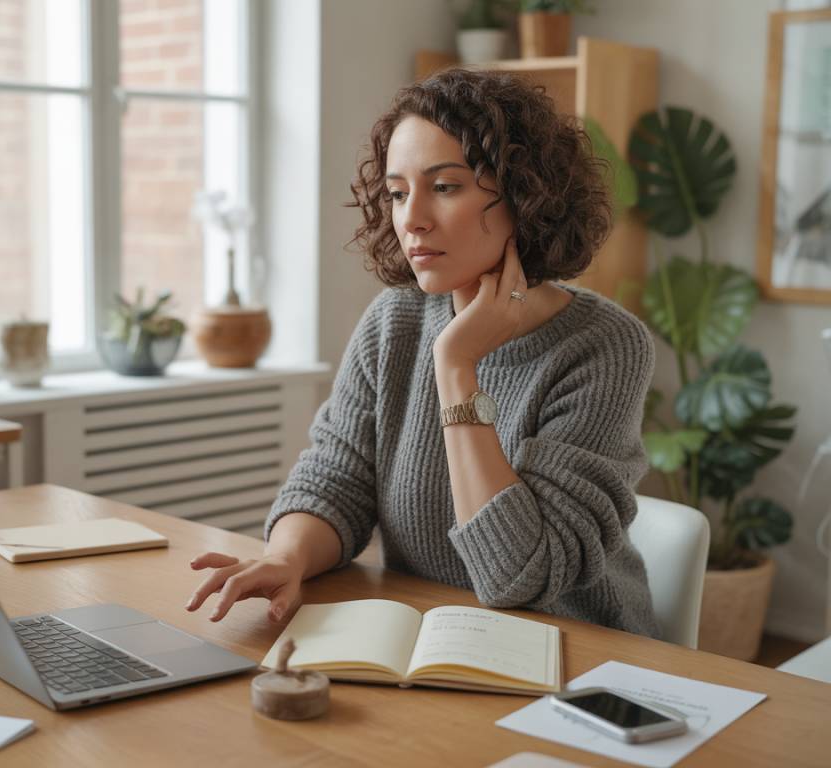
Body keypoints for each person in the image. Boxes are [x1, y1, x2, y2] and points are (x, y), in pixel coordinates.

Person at [185, 68, 660, 638]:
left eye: (445, 186)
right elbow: (335, 479)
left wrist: (457, 367)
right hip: (431, 640)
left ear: (526, 194)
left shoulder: (605, 347)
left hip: (578, 657)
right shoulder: (394, 321)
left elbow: (517, 576)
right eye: (397, 192)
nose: (411, 219)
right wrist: (286, 557)